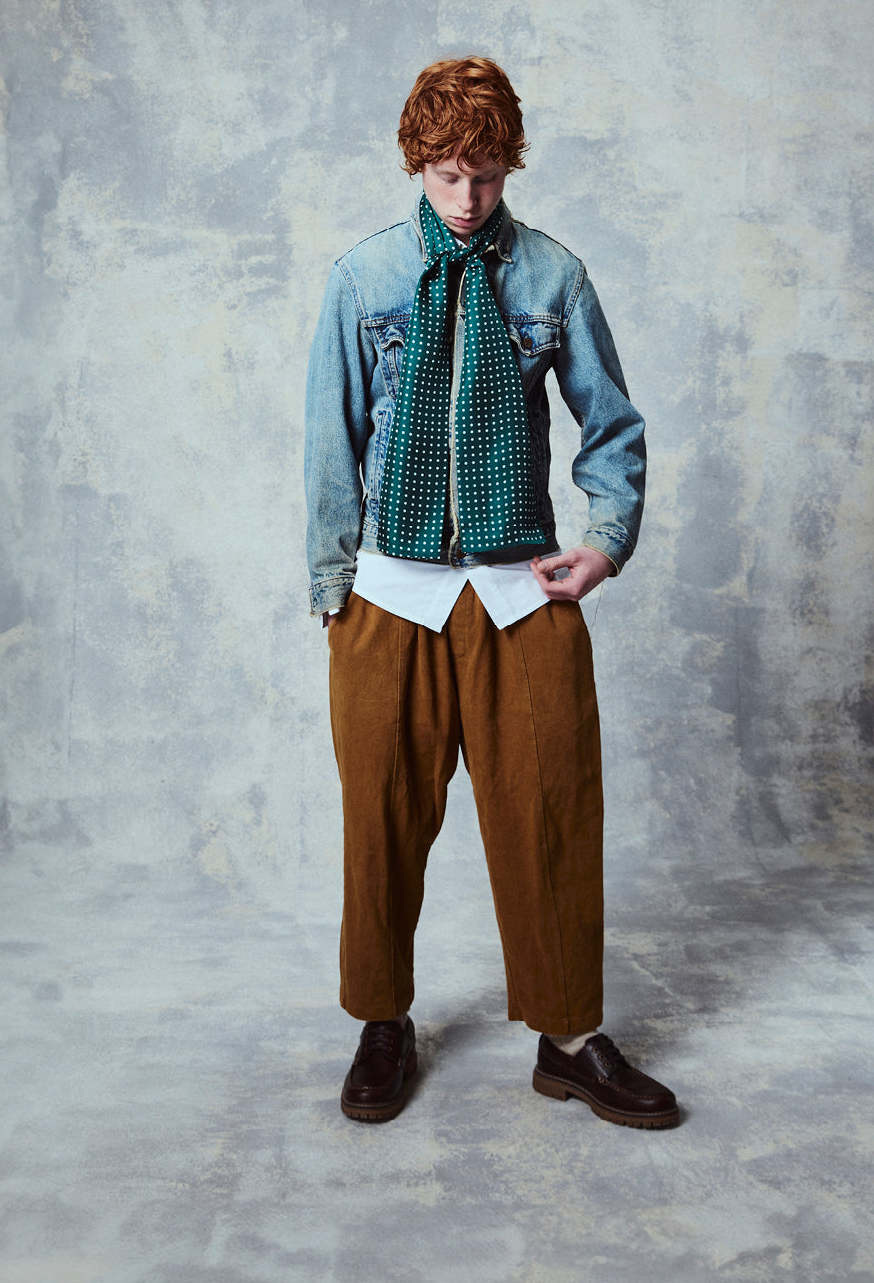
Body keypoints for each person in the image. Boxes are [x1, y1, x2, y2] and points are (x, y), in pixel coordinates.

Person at [304, 57, 678, 1129]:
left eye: (487, 173)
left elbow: (612, 426)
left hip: (522, 592)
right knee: (380, 818)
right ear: (418, 163)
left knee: (552, 810)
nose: (466, 198)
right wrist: (332, 580)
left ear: (513, 163)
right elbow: (329, 437)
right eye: (446, 173)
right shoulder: (362, 280)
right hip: (389, 596)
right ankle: (383, 1021)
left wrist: (606, 543)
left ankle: (569, 1039)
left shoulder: (554, 276)